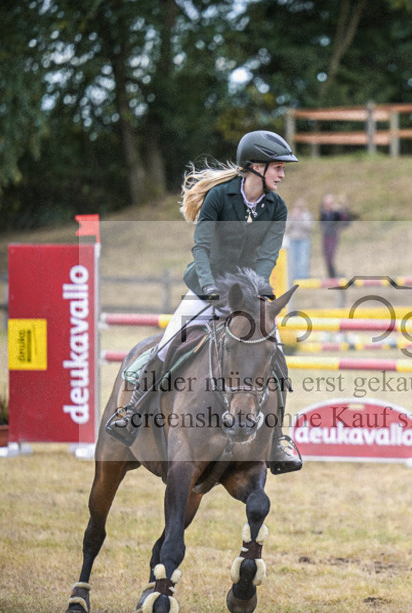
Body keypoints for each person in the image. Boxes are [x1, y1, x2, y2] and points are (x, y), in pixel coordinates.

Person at [106, 130, 302, 475]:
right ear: (256, 167)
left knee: (276, 356)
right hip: (205, 289)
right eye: (278, 167)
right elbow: (202, 249)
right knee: (166, 344)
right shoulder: (219, 197)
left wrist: (254, 294)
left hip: (245, 295)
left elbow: (267, 259)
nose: (282, 174)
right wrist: (211, 288)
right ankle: (131, 412)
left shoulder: (277, 207)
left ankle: (277, 440)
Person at [319, 193, 350, 278]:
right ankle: (331, 275)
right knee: (326, 255)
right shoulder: (324, 212)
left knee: (331, 255)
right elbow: (322, 222)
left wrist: (339, 228)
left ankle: (335, 275)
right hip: (326, 235)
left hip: (333, 235)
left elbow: (346, 221)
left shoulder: (336, 212)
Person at [285, 198, 314, 282]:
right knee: (292, 259)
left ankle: (302, 276)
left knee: (303, 259)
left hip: (303, 239)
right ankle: (293, 276)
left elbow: (308, 226)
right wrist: (293, 218)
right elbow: (287, 227)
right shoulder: (290, 215)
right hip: (292, 239)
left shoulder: (307, 215)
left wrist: (300, 219)